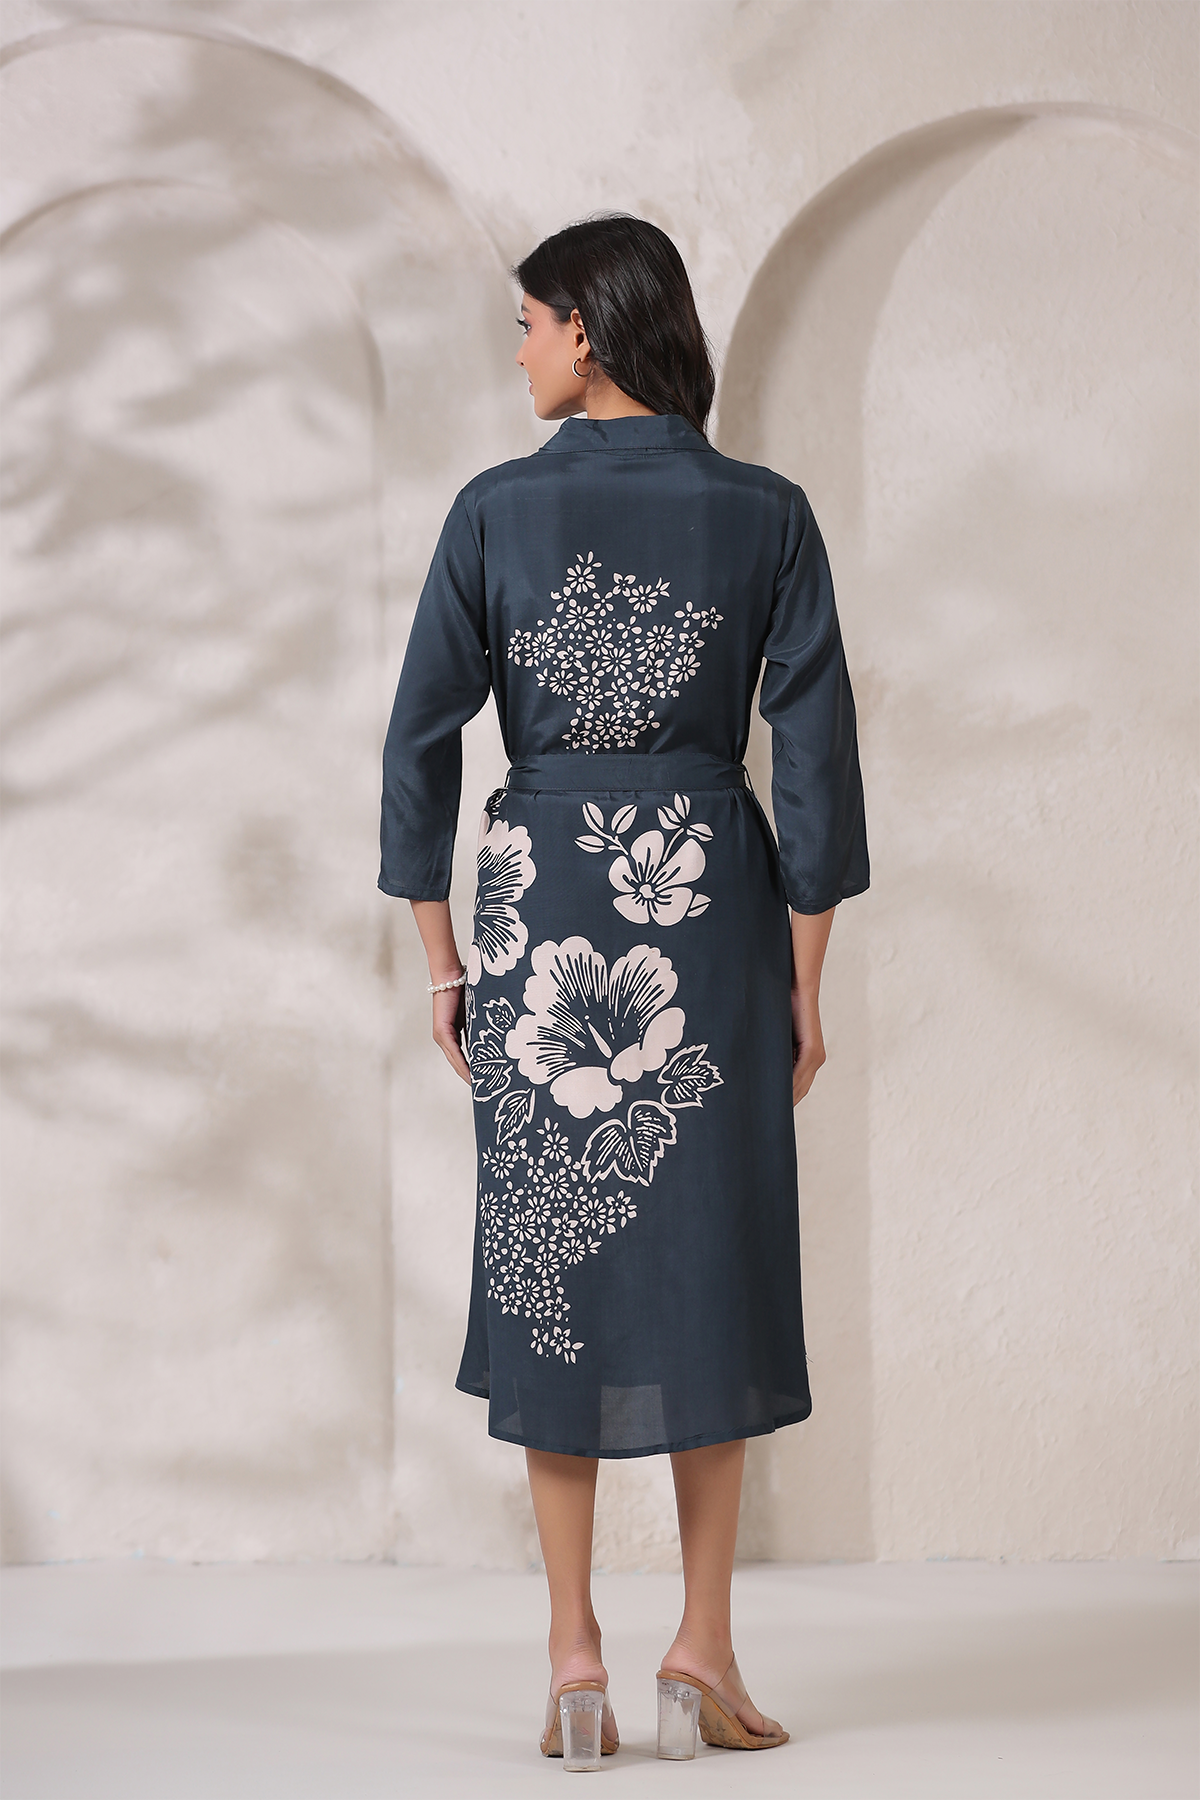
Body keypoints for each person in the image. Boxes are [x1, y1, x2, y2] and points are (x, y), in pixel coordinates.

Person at [378, 213, 868, 1768]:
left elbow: (417, 739)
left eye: (528, 324)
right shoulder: (766, 513)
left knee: (553, 1265)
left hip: (540, 917)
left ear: (588, 328)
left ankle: (573, 1658)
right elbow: (816, 761)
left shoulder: (494, 512)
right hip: (708, 914)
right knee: (714, 1258)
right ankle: (703, 1649)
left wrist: (443, 958)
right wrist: (802, 986)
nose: (518, 351)